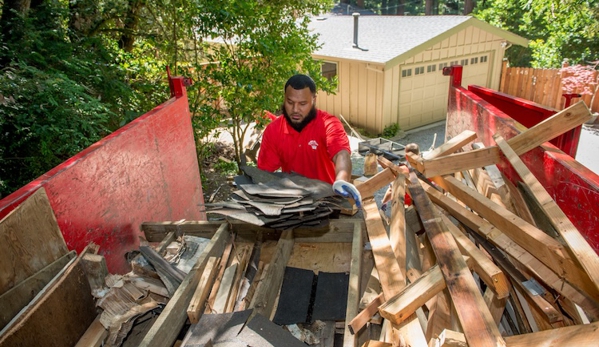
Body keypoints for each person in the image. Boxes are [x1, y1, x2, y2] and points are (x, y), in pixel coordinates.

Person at [257, 74, 362, 208]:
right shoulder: (273, 130)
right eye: (290, 102)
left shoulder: (329, 123)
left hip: (328, 202)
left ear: (314, 100)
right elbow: (264, 173)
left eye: (302, 104)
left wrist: (342, 180)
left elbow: (341, 154)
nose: (295, 110)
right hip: (292, 205)